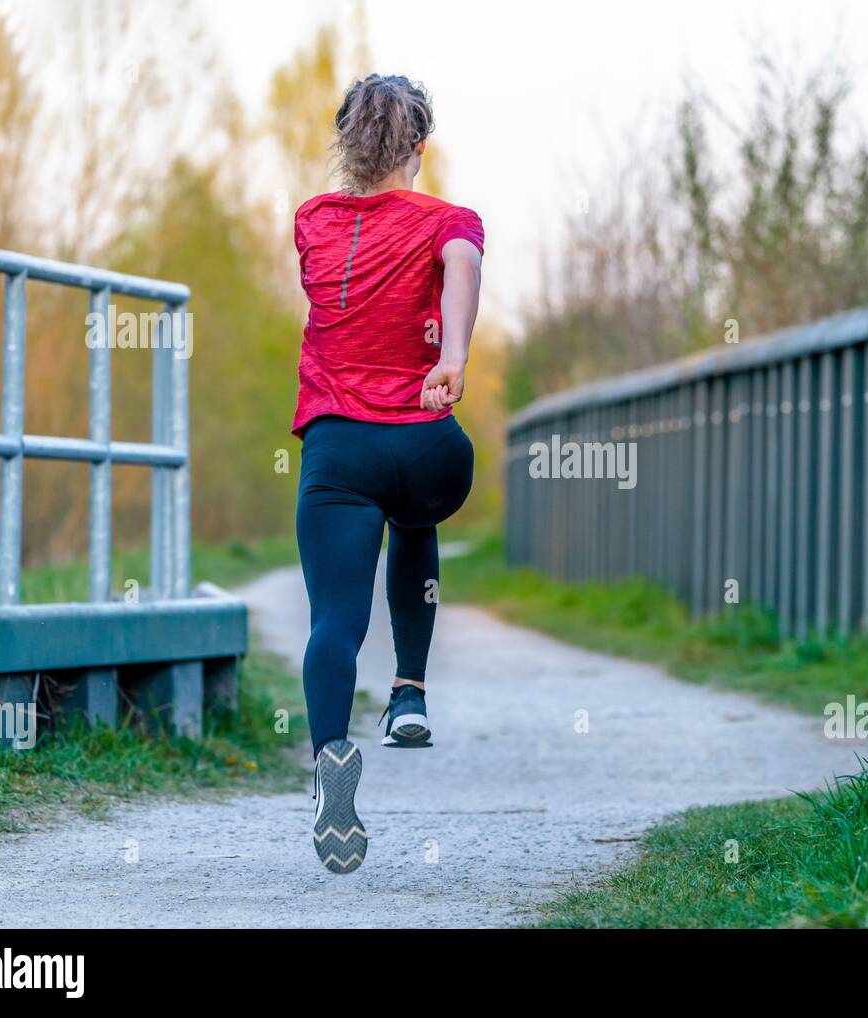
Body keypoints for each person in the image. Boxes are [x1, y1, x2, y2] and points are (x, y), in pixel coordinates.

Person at [290, 74, 484, 874]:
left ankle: (332, 754)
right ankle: (409, 692)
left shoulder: (310, 220)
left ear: (346, 141)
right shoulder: (450, 219)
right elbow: (462, 264)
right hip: (425, 445)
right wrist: (453, 358)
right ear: (419, 148)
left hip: (338, 447)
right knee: (416, 514)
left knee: (333, 619)